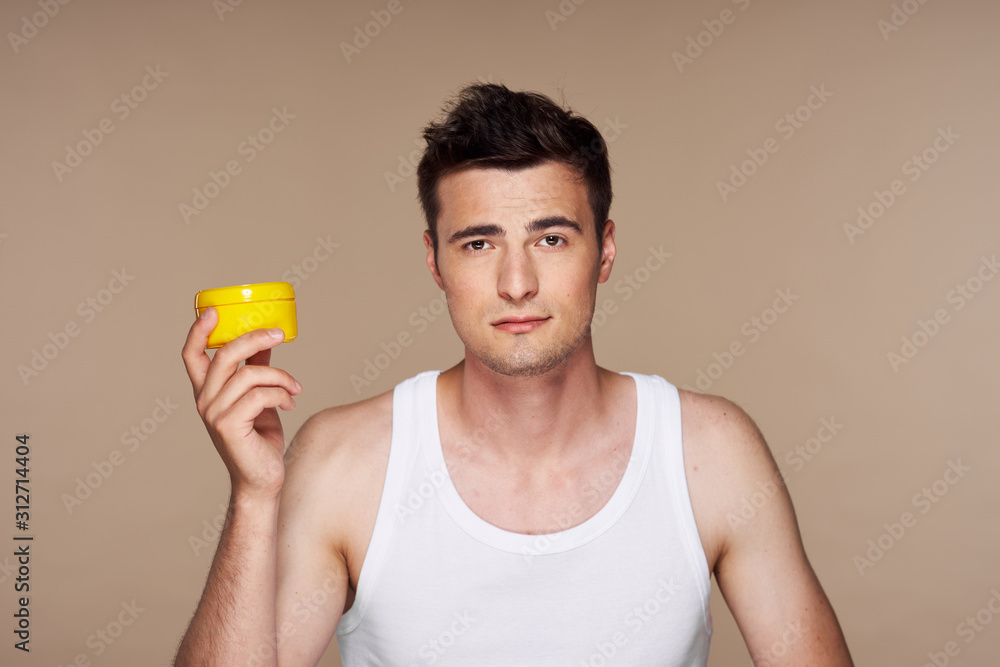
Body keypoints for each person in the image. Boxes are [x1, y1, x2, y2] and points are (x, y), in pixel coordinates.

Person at [175, 83, 854, 666]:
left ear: (605, 250)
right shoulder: (345, 463)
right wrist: (255, 497)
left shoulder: (712, 452)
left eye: (550, 239)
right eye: (479, 243)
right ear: (436, 262)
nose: (517, 283)